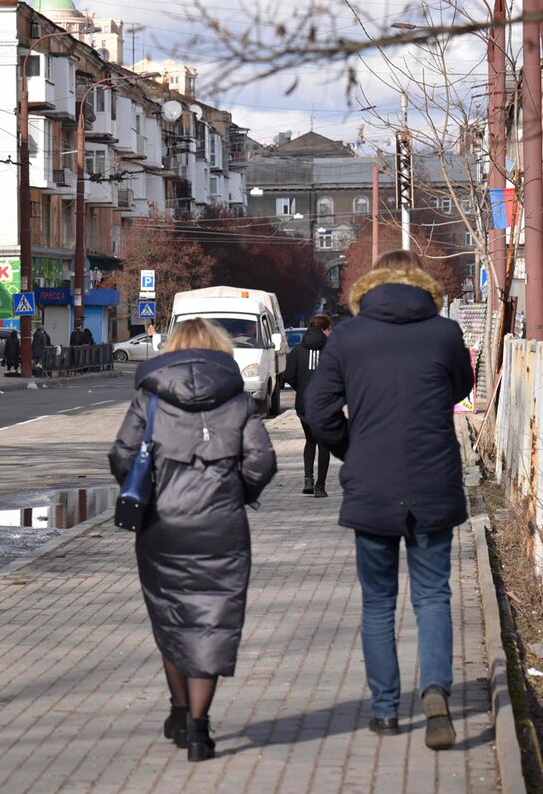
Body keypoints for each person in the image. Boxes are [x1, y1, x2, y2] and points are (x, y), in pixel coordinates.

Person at [305, 250, 474, 750]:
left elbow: (317, 410)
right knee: (432, 594)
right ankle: (436, 691)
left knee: (378, 602)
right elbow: (460, 388)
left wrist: (351, 447)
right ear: (422, 285)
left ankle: (384, 712)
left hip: (373, 484)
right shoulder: (444, 332)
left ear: (370, 285)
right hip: (432, 481)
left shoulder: (349, 335)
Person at [109, 318, 277, 762]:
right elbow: (262, 461)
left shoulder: (151, 398)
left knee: (172, 619)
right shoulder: (238, 400)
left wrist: (146, 491)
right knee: (212, 622)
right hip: (221, 527)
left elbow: (122, 455)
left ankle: (179, 711)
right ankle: (200, 728)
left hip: (162, 527)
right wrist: (235, 493)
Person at [283, 314, 333, 497]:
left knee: (310, 441)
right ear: (323, 330)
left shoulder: (297, 351)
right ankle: (320, 487)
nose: (330, 333)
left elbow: (289, 376)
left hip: (304, 404)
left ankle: (308, 480)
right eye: (329, 329)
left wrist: (302, 389)